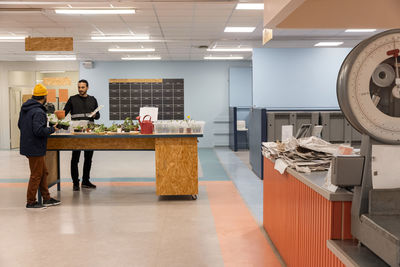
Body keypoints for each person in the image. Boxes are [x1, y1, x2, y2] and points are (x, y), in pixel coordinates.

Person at [18, 83, 61, 209]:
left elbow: (20, 125)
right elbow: (38, 131)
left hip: (28, 145)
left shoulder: (25, 108)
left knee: (43, 172)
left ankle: (46, 198)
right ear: (44, 97)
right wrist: (53, 129)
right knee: (36, 174)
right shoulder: (39, 111)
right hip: (35, 147)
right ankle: (30, 201)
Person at [64, 79, 100, 191]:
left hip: (89, 133)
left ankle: (85, 181)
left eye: (83, 87)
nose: (80, 89)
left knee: (88, 158)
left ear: (87, 87)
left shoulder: (93, 99)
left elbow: (98, 115)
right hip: (76, 133)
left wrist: (95, 115)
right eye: (79, 87)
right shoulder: (72, 99)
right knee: (75, 158)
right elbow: (64, 113)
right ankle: (75, 183)